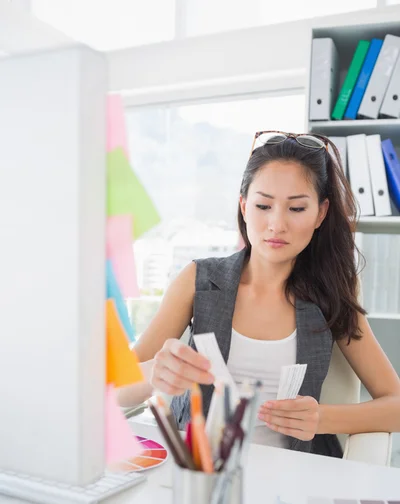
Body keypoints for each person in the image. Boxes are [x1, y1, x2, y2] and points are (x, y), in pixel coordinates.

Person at [130, 130, 400, 457]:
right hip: (200, 472)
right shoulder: (198, 279)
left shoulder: (332, 293)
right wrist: (154, 373)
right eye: (263, 205)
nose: (276, 224)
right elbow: (115, 387)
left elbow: (395, 405)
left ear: (321, 213)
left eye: (297, 209)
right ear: (244, 206)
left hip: (294, 476)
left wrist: (323, 418)